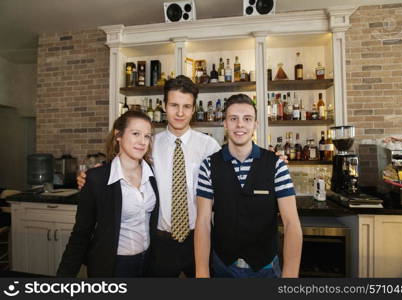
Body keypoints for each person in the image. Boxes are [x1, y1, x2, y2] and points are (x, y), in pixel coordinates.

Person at [77, 75, 221, 277]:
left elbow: (230, 183)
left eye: (187, 106)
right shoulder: (149, 144)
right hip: (160, 242)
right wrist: (92, 177)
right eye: (174, 105)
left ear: (194, 109)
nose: (180, 113)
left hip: (199, 238)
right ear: (163, 105)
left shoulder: (210, 147)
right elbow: (122, 167)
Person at [195, 94, 303, 278]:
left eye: (247, 119)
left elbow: (292, 224)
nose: (240, 125)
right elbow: (203, 223)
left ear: (255, 125)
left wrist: (290, 277)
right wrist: (202, 272)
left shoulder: (275, 165)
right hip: (223, 267)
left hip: (266, 269)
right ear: (225, 124)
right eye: (233, 119)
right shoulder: (209, 165)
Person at [57, 110, 159, 277]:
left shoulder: (153, 175)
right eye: (136, 134)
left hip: (147, 264)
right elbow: (80, 235)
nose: (142, 141)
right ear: (118, 135)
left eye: (147, 136)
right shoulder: (97, 179)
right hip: (113, 266)